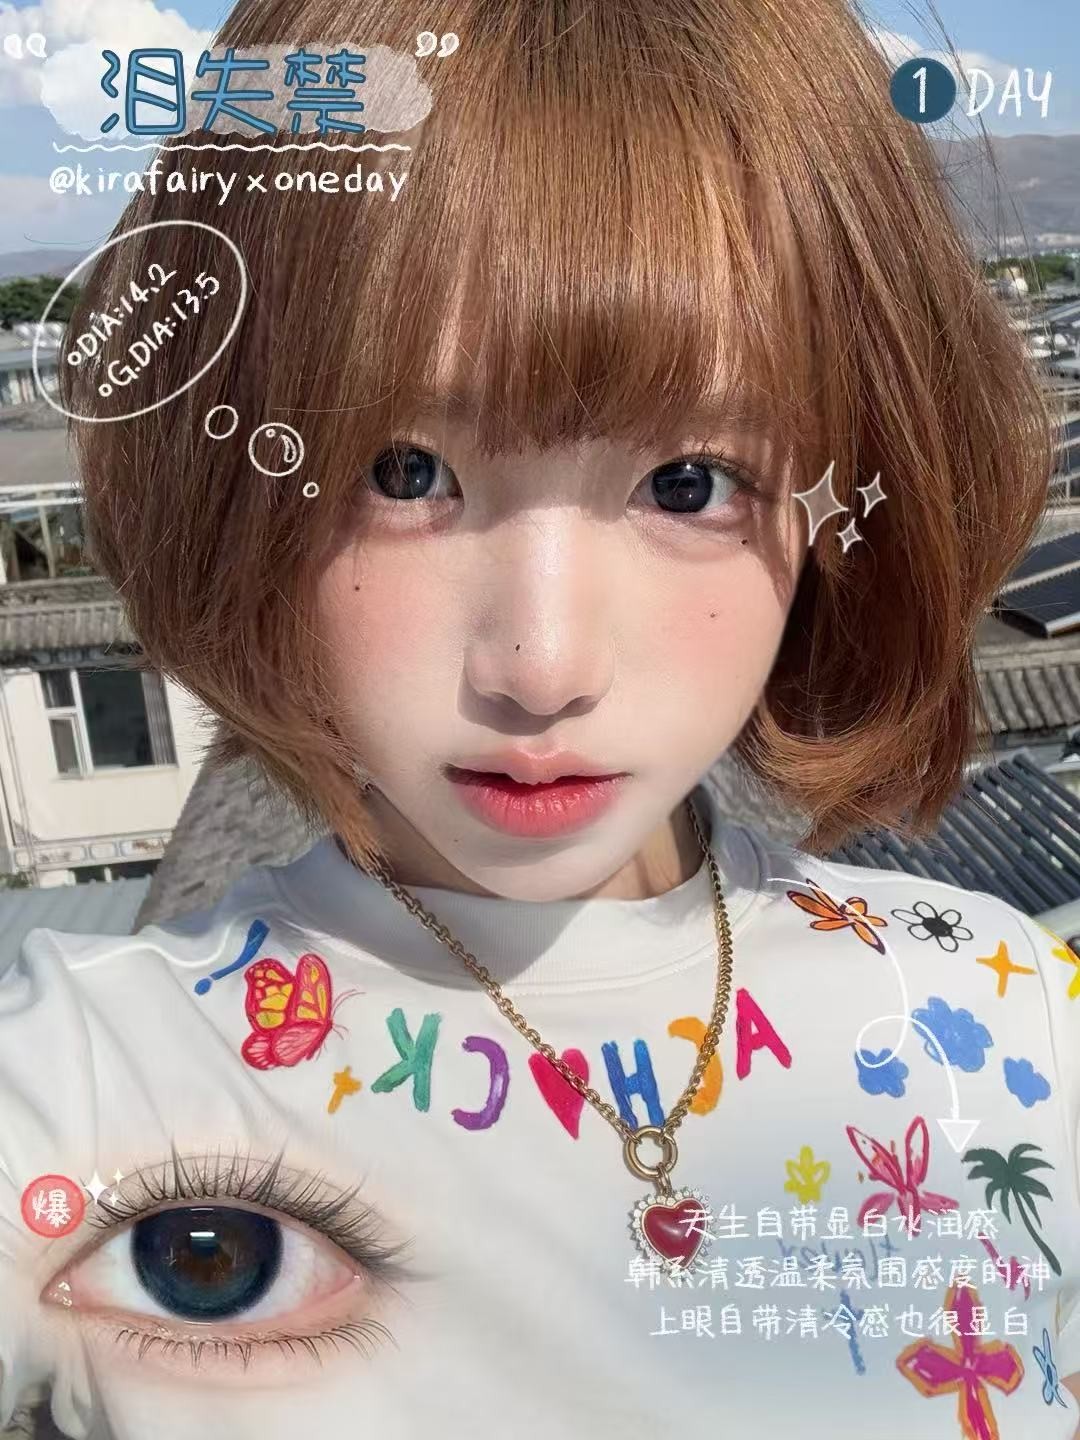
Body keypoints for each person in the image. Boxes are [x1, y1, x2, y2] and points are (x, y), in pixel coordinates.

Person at [0, 0, 1076, 1436]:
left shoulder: (1006, 1020)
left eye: (690, 483)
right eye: (403, 470)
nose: (542, 664)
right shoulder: (94, 1078)